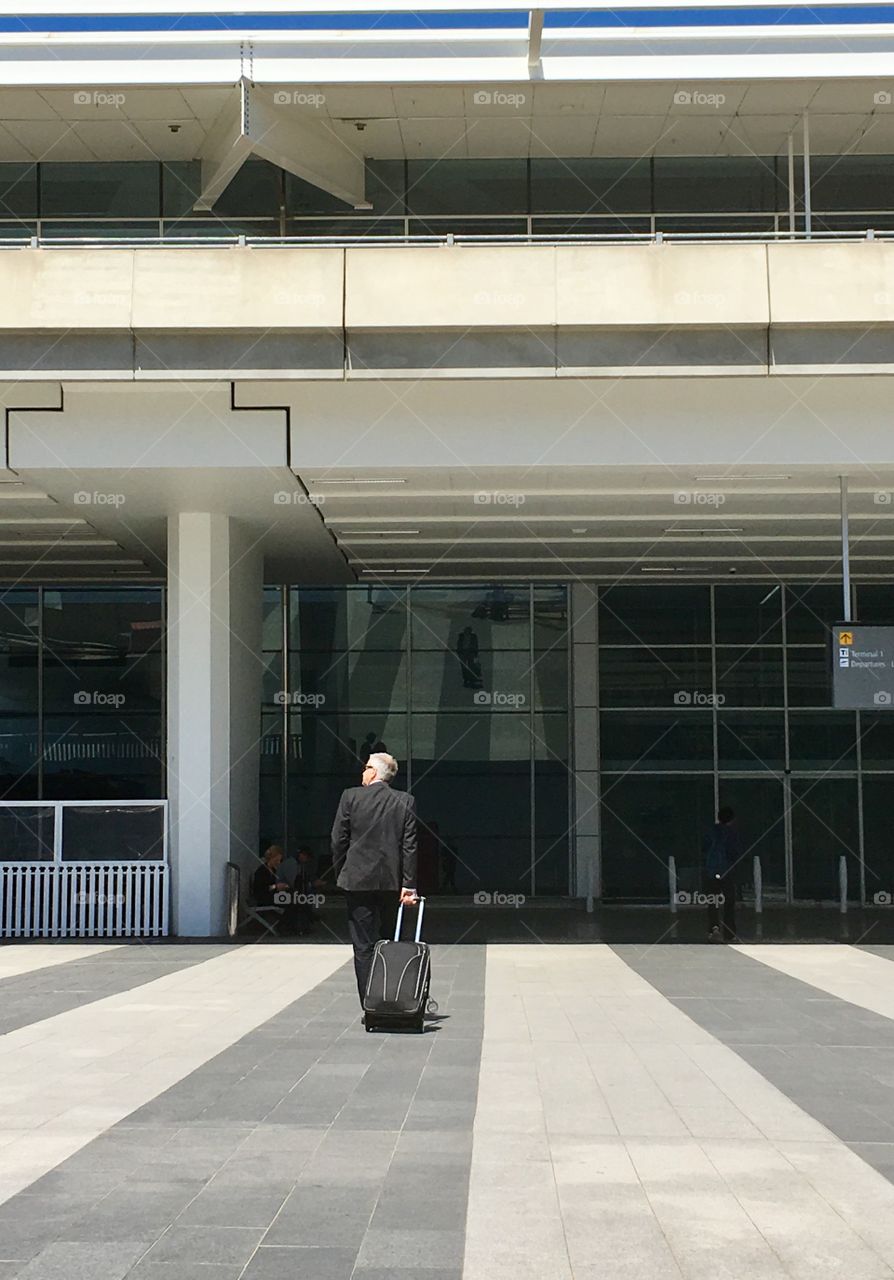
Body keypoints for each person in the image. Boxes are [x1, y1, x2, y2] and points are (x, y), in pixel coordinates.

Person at [330, 751, 418, 1005]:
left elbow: (338, 839)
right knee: (390, 940)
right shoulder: (405, 801)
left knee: (363, 944)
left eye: (366, 766)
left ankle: (369, 1001)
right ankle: (391, 995)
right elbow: (409, 846)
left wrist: (342, 871)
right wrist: (409, 885)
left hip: (357, 881)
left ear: (375, 772)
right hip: (391, 883)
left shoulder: (350, 797)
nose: (362, 771)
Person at [703, 806, 742, 942]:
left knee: (712, 901)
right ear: (731, 819)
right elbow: (734, 852)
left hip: (711, 870)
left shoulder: (710, 831)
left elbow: (704, 849)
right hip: (727, 871)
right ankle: (729, 933)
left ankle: (714, 928)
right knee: (729, 902)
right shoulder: (732, 833)